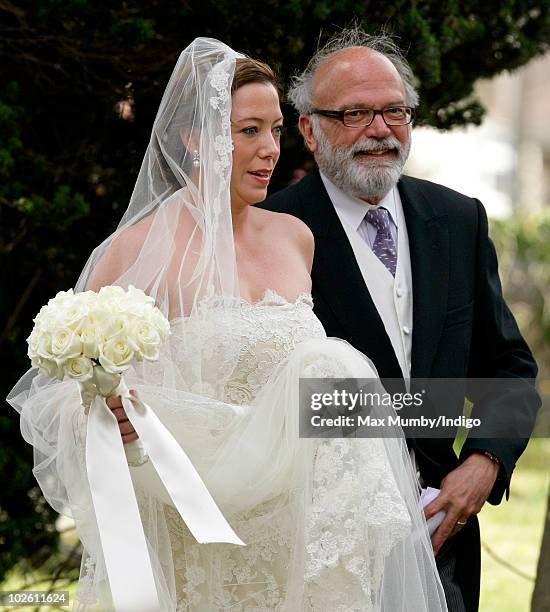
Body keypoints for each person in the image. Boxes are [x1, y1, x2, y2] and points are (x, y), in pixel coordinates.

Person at [8, 38, 449, 611]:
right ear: (197, 138)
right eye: (248, 131)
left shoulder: (296, 239)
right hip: (193, 529)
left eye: (274, 130)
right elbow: (65, 392)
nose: (269, 150)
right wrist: (101, 408)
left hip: (293, 535)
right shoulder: (136, 253)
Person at [262, 27, 541, 612]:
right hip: (318, 548)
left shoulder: (458, 219)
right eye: (355, 114)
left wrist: (485, 462)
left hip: (445, 540)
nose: (380, 130)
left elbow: (510, 366)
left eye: (394, 111)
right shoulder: (269, 231)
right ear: (310, 130)